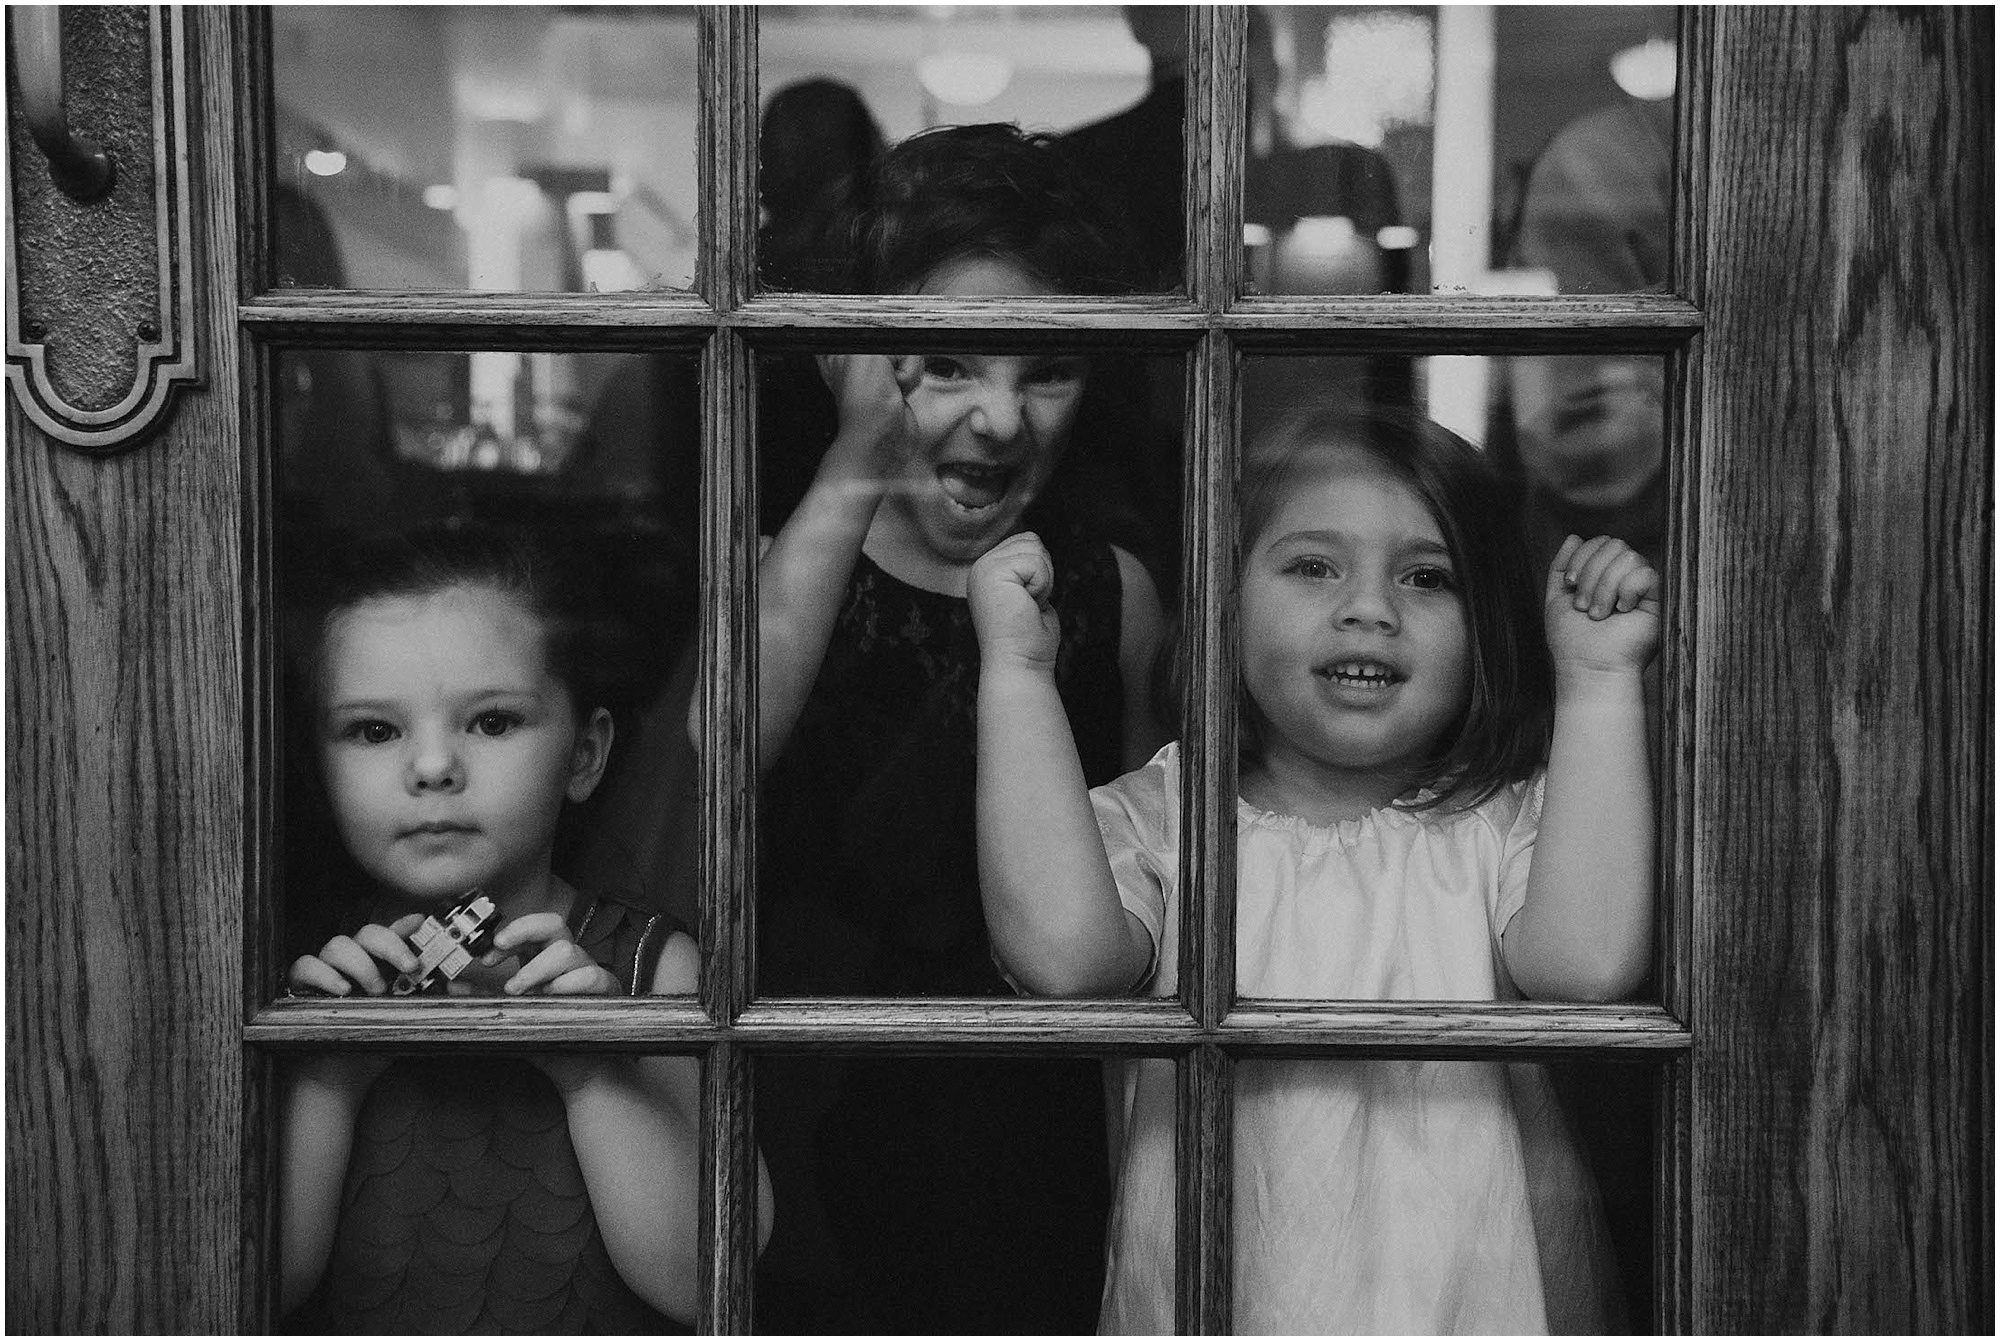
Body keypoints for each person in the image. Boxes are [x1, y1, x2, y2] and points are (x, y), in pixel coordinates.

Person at [969, 399, 1657, 1332]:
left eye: (1425, 576)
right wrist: (1016, 672)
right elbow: (1063, 960)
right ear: (1227, 603)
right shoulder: (1170, 819)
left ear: (1485, 624)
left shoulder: (1501, 820)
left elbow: (1586, 968)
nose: (1368, 608)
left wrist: (1600, 681)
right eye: (1312, 566)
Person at [750, 122, 1169, 1332]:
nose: (998, 419)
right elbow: (712, 765)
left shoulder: (1112, 593)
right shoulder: (779, 580)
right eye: (943, 364)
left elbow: (1156, 881)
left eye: (1046, 369)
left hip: (1049, 1142)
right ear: (851, 364)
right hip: (810, 1113)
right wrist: (849, 466)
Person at [278, 525, 771, 1332]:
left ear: (583, 755)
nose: (433, 767)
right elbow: (246, 1285)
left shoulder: (655, 966)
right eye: (374, 729)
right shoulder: (301, 977)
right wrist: (328, 1079)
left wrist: (593, 1073)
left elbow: (710, 1281)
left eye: (493, 722)